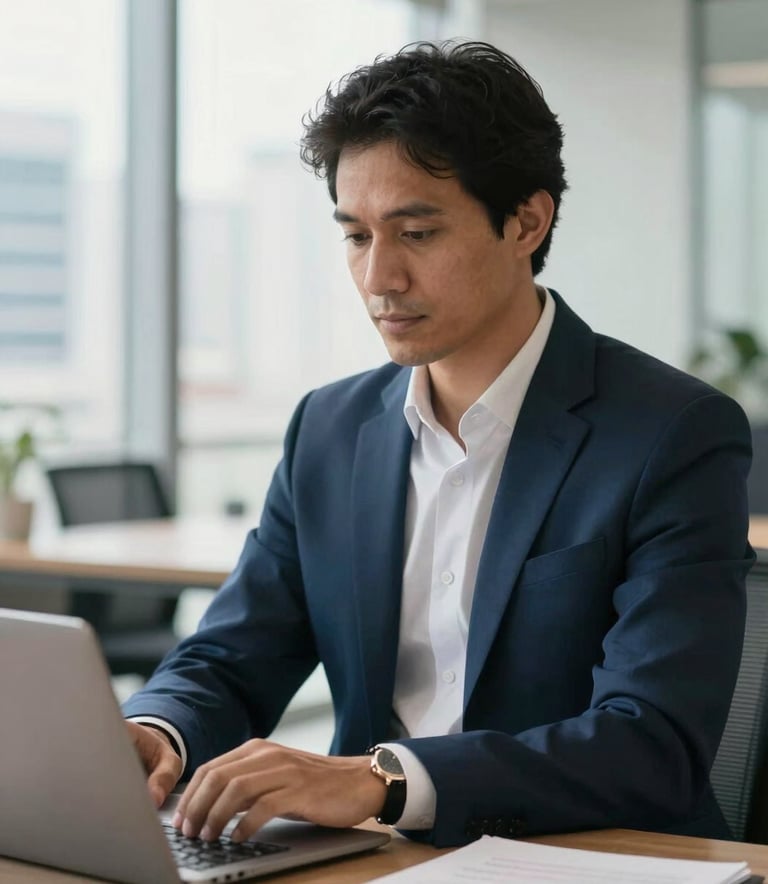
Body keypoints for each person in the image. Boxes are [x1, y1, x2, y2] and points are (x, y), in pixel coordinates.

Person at [123, 40, 754, 848]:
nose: (379, 277)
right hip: (370, 861)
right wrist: (157, 732)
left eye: (415, 233)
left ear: (526, 221)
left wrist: (381, 781)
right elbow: (232, 657)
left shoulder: (672, 433)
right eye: (355, 236)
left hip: (585, 857)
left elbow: (651, 742)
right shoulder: (330, 428)